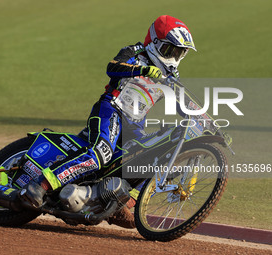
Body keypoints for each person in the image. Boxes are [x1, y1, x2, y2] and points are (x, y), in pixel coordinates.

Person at [21, 15, 196, 228]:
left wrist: (210, 124)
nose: (175, 57)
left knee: (151, 158)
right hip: (111, 109)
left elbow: (184, 104)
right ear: (156, 43)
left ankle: (117, 203)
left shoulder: (171, 75)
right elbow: (112, 67)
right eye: (171, 50)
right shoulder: (136, 52)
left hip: (135, 126)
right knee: (100, 154)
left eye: (180, 53)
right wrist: (141, 70)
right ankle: (41, 185)